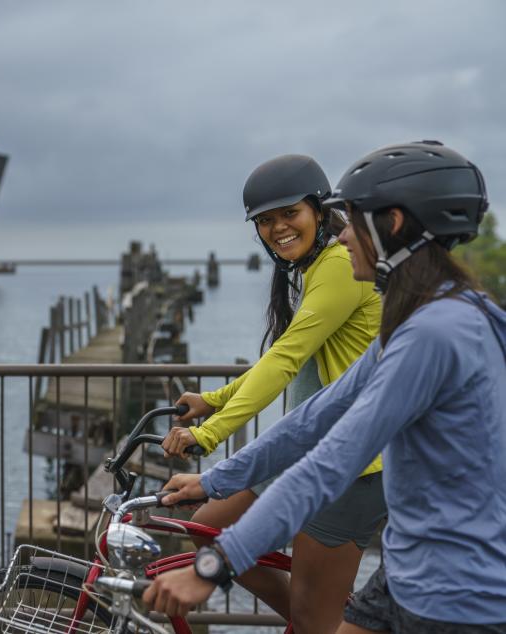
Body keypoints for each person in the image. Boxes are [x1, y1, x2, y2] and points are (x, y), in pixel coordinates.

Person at [146, 141, 506, 633]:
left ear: (393, 226)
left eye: (353, 221)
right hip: (406, 571)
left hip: (458, 597)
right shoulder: (417, 318)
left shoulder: (436, 333)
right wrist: (215, 480)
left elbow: (331, 461)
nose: (342, 240)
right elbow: (314, 419)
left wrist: (215, 565)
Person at [161, 154, 385, 632]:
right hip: (305, 451)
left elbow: (284, 361)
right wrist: (214, 400)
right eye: (265, 221)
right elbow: (285, 355)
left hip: (353, 466)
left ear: (319, 212)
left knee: (312, 620)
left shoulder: (339, 265)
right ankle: (321, 619)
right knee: (208, 529)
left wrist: (210, 434)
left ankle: (322, 622)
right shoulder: (311, 268)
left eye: (290, 213)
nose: (278, 228)